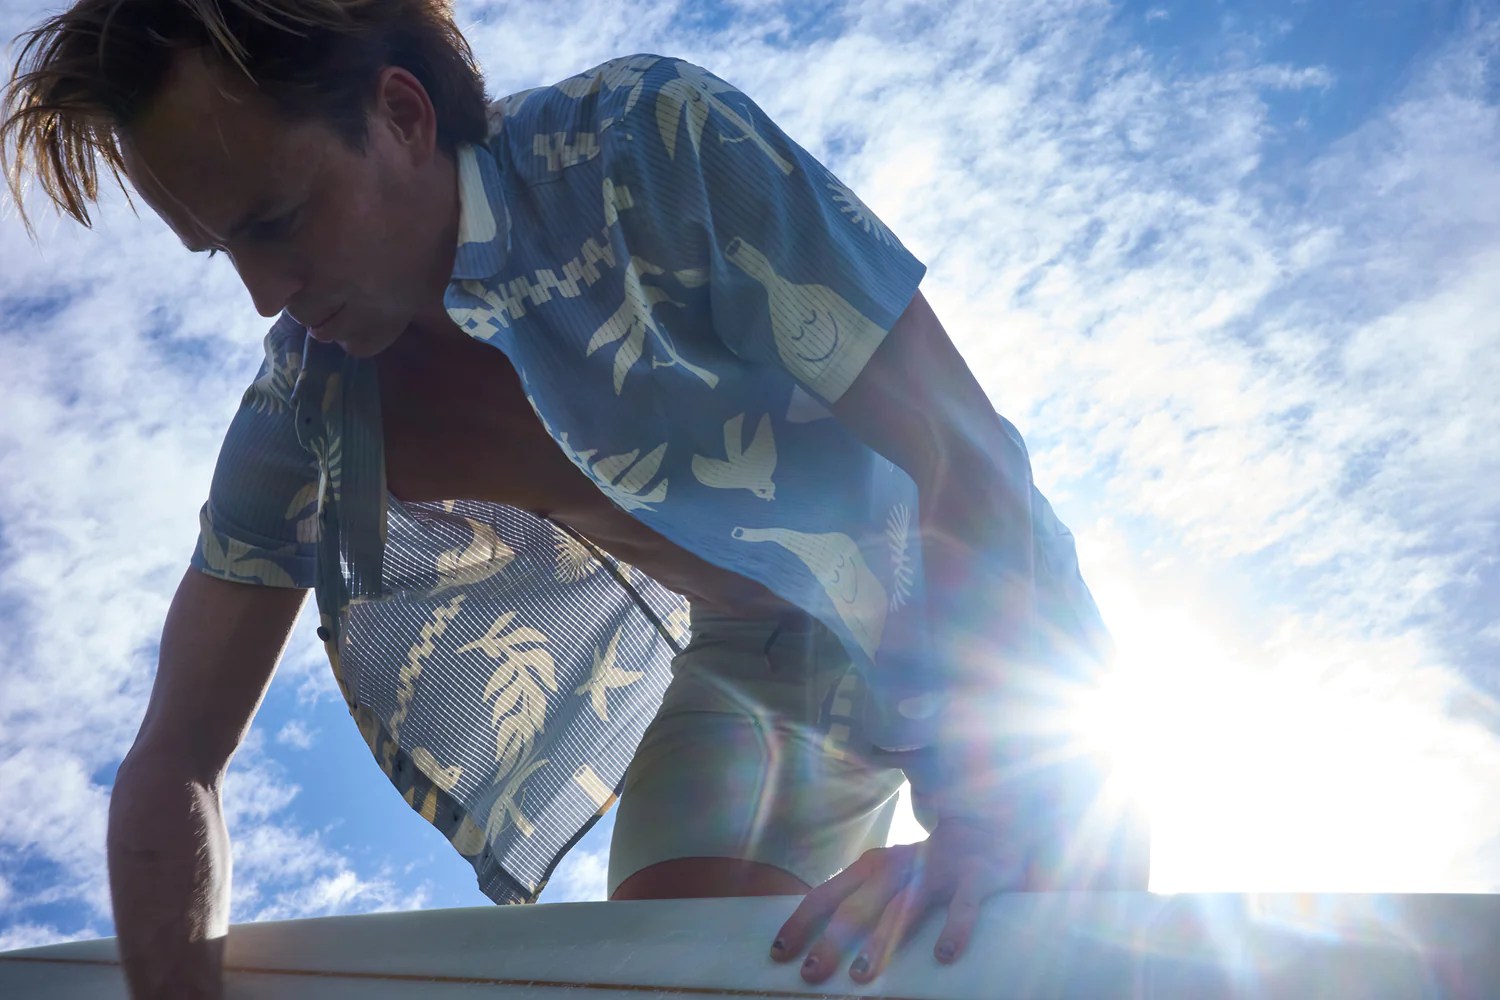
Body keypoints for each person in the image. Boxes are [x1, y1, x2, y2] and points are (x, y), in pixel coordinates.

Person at [2, 1, 1148, 996]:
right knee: (676, 983)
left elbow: (965, 455)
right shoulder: (309, 410)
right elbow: (177, 757)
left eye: (278, 219)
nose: (266, 298)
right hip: (748, 671)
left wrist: (994, 815)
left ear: (402, 116)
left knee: (1034, 955)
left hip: (967, 601)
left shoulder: (647, 146)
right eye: (221, 252)